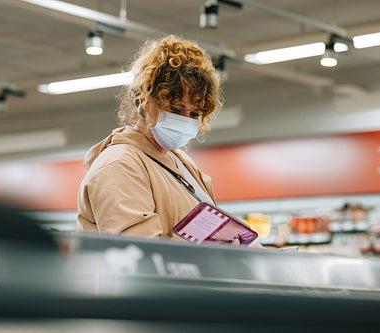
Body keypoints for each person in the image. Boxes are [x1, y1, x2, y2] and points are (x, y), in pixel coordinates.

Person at [77, 35, 261, 248]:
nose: (184, 120)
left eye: (194, 114)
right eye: (175, 109)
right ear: (145, 101)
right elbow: (139, 256)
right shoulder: (120, 165)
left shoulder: (180, 162)